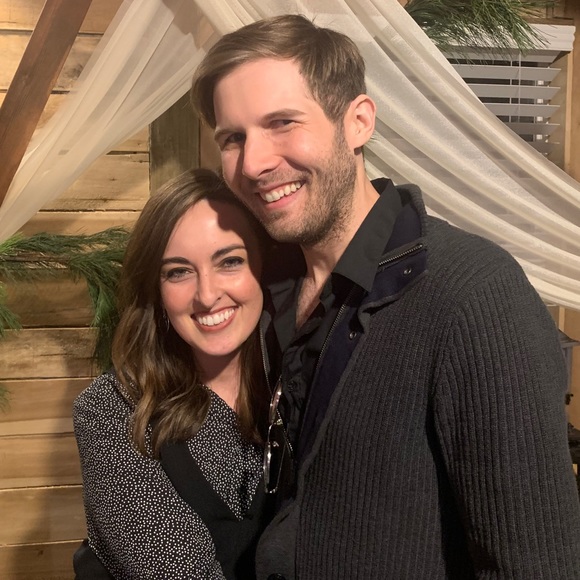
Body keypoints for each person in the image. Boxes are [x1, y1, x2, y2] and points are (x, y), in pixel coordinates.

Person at [191, 14, 580, 579]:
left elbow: (536, 565)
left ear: (358, 123)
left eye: (282, 123)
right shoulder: (260, 289)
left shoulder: (472, 294)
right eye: (233, 138)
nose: (254, 163)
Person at [73, 168, 273, 579]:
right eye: (178, 271)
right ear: (156, 289)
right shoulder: (111, 410)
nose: (207, 295)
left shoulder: (299, 384)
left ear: (264, 267)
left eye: (230, 261)